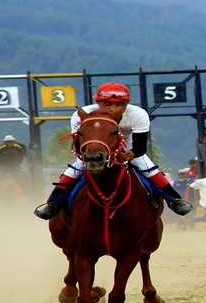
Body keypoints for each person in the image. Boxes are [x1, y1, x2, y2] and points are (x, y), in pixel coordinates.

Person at [34, 82, 193, 219]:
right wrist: (86, 155)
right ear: (98, 103)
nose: (113, 109)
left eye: (119, 105)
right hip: (94, 149)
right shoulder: (81, 115)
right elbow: (78, 145)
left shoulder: (138, 114)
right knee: (75, 169)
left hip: (127, 147)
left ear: (127, 104)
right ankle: (52, 204)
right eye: (107, 104)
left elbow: (140, 146)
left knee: (148, 168)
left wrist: (132, 154)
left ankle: (174, 200)